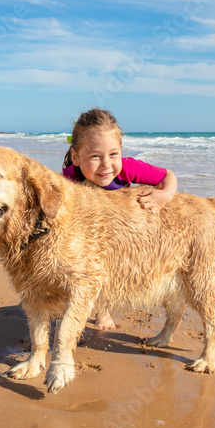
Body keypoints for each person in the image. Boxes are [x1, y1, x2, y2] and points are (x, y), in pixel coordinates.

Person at [62, 108, 178, 330]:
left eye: (113, 154)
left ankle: (107, 305)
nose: (106, 165)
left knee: (117, 268)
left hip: (120, 226)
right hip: (90, 227)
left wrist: (165, 195)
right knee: (92, 266)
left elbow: (167, 176)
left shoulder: (128, 168)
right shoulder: (70, 176)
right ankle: (101, 311)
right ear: (76, 157)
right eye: (95, 156)